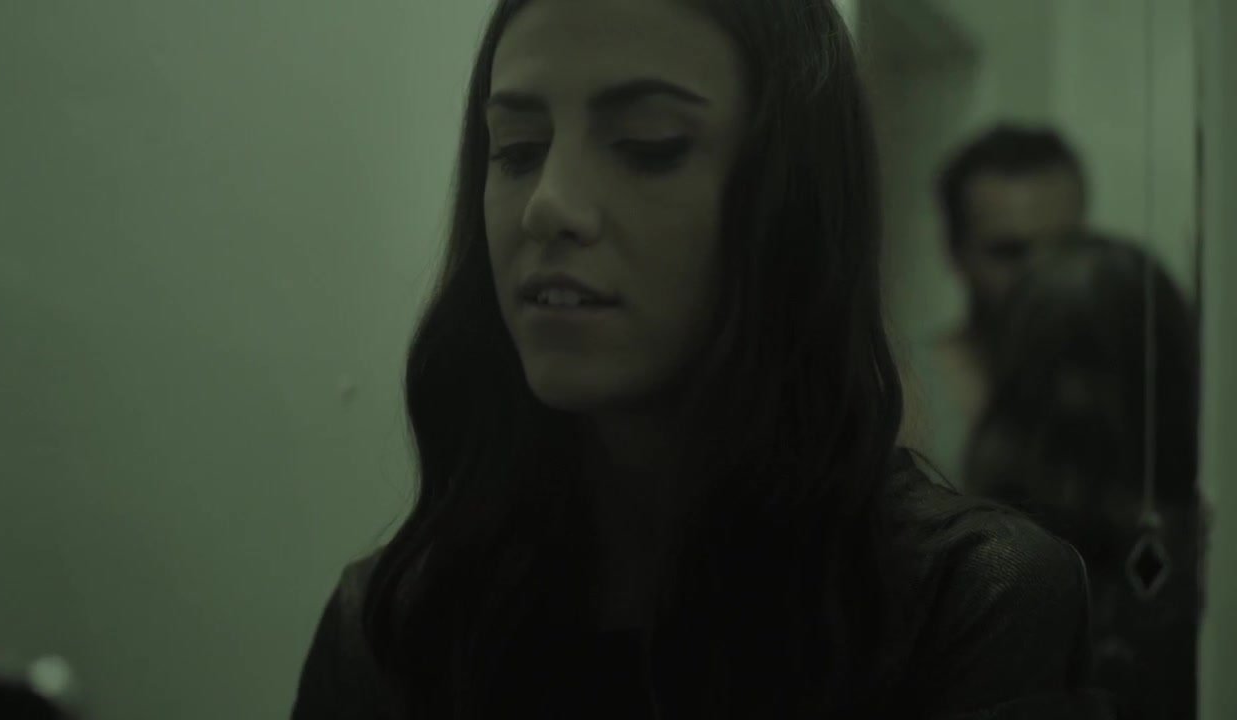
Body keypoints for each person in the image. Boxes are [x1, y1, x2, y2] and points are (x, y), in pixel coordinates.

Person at [292, 1, 1118, 718]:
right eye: (517, 148)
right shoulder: (394, 627)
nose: (548, 205)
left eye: (646, 145)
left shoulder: (966, 603)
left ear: (788, 200)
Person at [964, 235, 1203, 720]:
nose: (1074, 395)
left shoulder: (1181, 540)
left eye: (1095, 364)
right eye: (1055, 365)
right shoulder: (994, 535)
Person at [901, 125, 1088, 491]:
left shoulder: (1120, 389)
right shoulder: (904, 393)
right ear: (956, 251)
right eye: (1009, 252)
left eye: (1064, 247)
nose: (1040, 274)